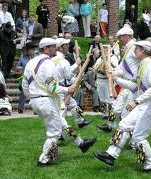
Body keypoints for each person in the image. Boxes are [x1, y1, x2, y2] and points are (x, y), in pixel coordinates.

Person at [22, 38, 97, 166]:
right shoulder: (49, 63)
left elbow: (24, 84)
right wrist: (68, 89)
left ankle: (81, 144)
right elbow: (53, 87)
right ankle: (43, 160)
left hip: (35, 101)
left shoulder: (31, 62)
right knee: (54, 133)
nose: (55, 49)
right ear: (45, 49)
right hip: (47, 101)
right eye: (52, 47)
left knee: (62, 123)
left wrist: (33, 97)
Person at [94, 40, 151, 173]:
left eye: (137, 48)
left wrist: (136, 102)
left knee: (138, 137)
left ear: (143, 51)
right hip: (145, 103)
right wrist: (115, 78)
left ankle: (150, 166)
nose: (134, 50)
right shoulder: (142, 65)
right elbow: (134, 86)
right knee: (123, 125)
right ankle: (110, 155)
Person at [97, 26, 139, 132]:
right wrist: (112, 72)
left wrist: (113, 74)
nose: (118, 40)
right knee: (115, 107)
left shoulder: (134, 47)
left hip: (132, 85)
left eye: (120, 37)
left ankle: (134, 140)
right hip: (125, 85)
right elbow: (122, 67)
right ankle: (110, 126)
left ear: (126, 36)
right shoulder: (128, 48)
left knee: (126, 115)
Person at [53, 38, 91, 128]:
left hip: (57, 87)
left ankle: (80, 121)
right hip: (60, 88)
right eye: (65, 45)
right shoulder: (62, 60)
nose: (67, 46)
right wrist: (77, 77)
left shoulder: (55, 58)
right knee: (62, 109)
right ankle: (60, 130)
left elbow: (65, 72)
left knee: (73, 104)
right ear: (60, 47)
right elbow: (68, 75)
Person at [16, 42, 36, 113]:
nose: (33, 51)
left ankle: (35, 110)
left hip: (35, 78)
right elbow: (17, 66)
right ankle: (20, 108)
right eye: (31, 49)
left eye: (33, 49)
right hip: (25, 77)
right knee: (23, 93)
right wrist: (20, 69)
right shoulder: (22, 57)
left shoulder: (36, 57)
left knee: (35, 94)